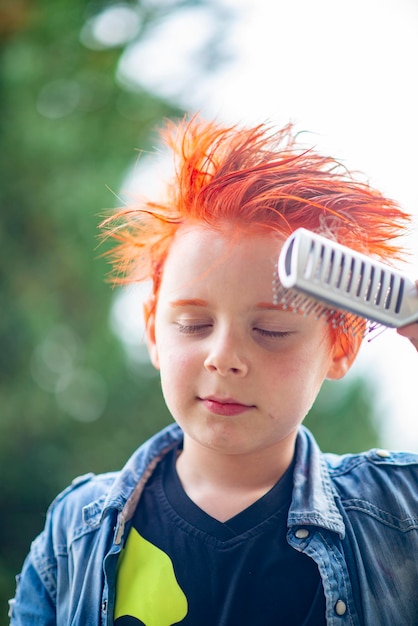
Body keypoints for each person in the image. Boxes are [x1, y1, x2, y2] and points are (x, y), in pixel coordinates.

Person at [9, 116, 418, 626]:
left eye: (270, 331)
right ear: (154, 330)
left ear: (341, 347)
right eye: (194, 323)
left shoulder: (401, 514)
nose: (223, 357)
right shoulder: (74, 534)